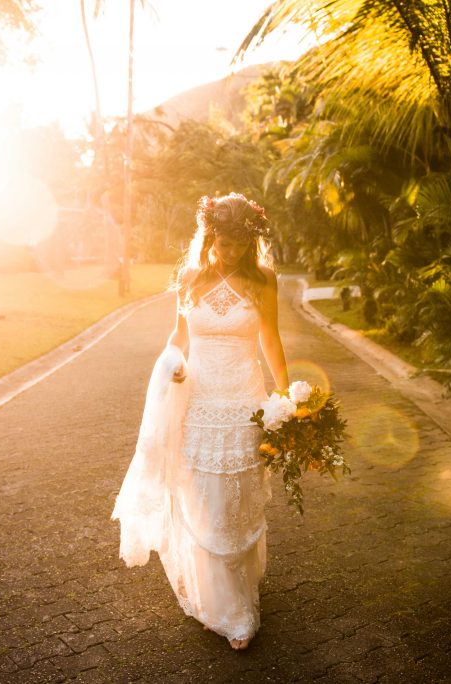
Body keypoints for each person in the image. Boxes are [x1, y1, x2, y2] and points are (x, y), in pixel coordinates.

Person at [111, 192, 290, 651]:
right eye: (223, 242)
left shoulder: (263, 280)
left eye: (238, 244)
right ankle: (227, 610)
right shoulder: (190, 277)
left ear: (250, 241)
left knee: (238, 501)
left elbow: (270, 338)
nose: (229, 251)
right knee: (206, 500)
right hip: (200, 402)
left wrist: (286, 398)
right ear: (210, 236)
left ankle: (241, 593)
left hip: (246, 404)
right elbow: (179, 332)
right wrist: (172, 360)